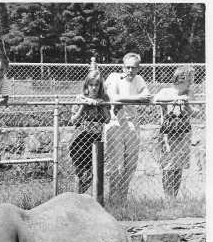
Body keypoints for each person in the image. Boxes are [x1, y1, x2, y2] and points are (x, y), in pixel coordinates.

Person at [104, 52, 152, 203]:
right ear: (123, 66)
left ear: (138, 68)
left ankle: (122, 200)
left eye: (134, 68)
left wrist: (133, 99)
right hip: (115, 123)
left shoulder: (138, 79)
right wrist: (138, 98)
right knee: (116, 165)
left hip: (132, 125)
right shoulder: (113, 77)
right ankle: (113, 200)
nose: (130, 70)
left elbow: (148, 96)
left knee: (130, 165)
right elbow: (114, 98)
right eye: (128, 67)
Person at [69, 68, 110, 193]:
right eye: (91, 84)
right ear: (87, 85)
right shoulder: (80, 98)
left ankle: (89, 197)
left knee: (93, 171)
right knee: (80, 172)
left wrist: (101, 105)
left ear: (100, 86)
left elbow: (107, 119)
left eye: (96, 85)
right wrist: (83, 106)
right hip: (80, 140)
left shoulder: (104, 98)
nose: (93, 88)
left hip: (95, 140)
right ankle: (77, 197)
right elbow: (73, 120)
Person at [154, 67, 193, 197]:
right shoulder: (166, 91)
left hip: (183, 134)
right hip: (168, 134)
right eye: (189, 79)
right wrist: (172, 101)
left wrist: (186, 103)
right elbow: (154, 100)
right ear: (181, 79)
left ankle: (173, 197)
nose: (191, 82)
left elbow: (195, 112)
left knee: (179, 166)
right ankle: (167, 197)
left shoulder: (189, 93)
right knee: (168, 166)